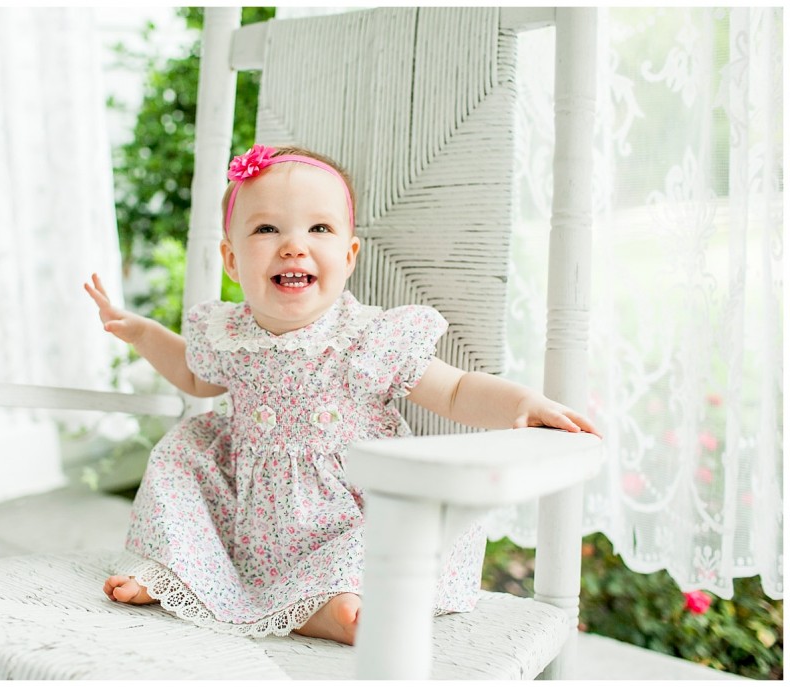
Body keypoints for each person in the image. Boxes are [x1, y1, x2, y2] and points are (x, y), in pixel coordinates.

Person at [84, 144, 599, 646]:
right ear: (232, 260)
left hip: (351, 508)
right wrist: (144, 334)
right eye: (266, 229)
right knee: (181, 454)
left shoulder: (367, 337)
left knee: (402, 527)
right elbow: (196, 378)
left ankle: (331, 606)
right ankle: (178, 567)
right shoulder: (228, 334)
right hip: (247, 514)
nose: (293, 245)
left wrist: (521, 404)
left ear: (349, 255)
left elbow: (457, 389)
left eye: (319, 228)